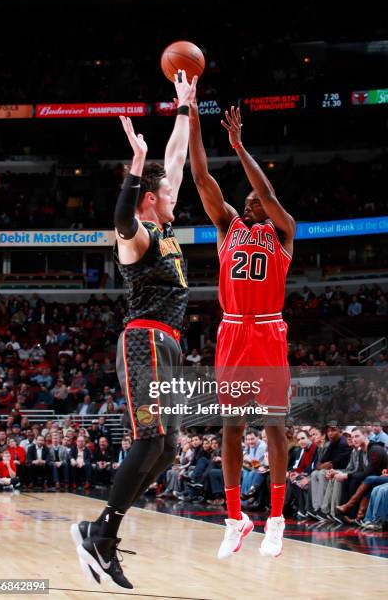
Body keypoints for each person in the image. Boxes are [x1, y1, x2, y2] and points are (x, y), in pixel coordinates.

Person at [73, 70, 197, 589]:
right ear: (151, 199)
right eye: (165, 192)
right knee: (149, 442)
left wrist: (184, 108)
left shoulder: (163, 228)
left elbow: (177, 161)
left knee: (168, 449)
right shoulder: (137, 238)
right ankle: (101, 535)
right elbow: (124, 212)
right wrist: (138, 166)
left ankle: (100, 532)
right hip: (143, 341)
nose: (175, 193)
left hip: (169, 346)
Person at [189, 102, 295, 559]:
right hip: (233, 332)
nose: (250, 201)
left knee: (274, 425)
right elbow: (201, 180)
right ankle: (235, 519)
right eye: (247, 200)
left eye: (256, 200)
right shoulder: (227, 226)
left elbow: (266, 190)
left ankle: (276, 518)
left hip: (268, 330)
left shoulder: (284, 231)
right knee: (231, 427)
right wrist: (193, 122)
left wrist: (238, 145)